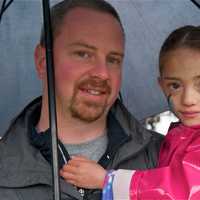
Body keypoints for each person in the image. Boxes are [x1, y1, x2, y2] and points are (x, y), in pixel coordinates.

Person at [0, 0, 163, 200]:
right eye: (83, 54)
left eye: (113, 59)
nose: (102, 73)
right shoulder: (4, 175)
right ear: (43, 61)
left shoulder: (169, 161)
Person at [60, 25, 200, 200]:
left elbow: (181, 190)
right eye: (175, 85)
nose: (188, 99)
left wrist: (106, 180)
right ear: (162, 85)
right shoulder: (177, 136)